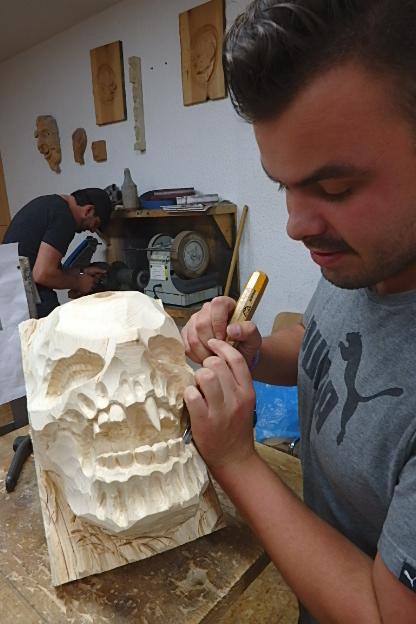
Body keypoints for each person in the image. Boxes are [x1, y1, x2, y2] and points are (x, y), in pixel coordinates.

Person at [181, 1, 416, 622]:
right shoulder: (364, 256)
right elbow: (322, 341)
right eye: (283, 185)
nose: (295, 226)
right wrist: (255, 352)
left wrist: (235, 461)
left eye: (335, 189)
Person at [3, 188, 111, 318]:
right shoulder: (64, 217)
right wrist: (79, 282)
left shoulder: (53, 205)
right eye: (96, 224)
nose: (93, 230)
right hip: (21, 292)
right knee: (54, 323)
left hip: (11, 286)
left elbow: (42, 267)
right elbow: (42, 275)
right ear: (88, 210)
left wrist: (81, 272)